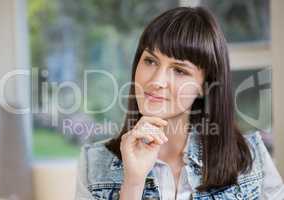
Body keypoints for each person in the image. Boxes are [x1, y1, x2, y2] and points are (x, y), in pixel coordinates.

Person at [75, 6, 284, 200]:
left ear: (205, 85)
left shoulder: (252, 158)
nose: (156, 81)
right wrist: (133, 183)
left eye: (179, 70)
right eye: (150, 61)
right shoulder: (94, 163)